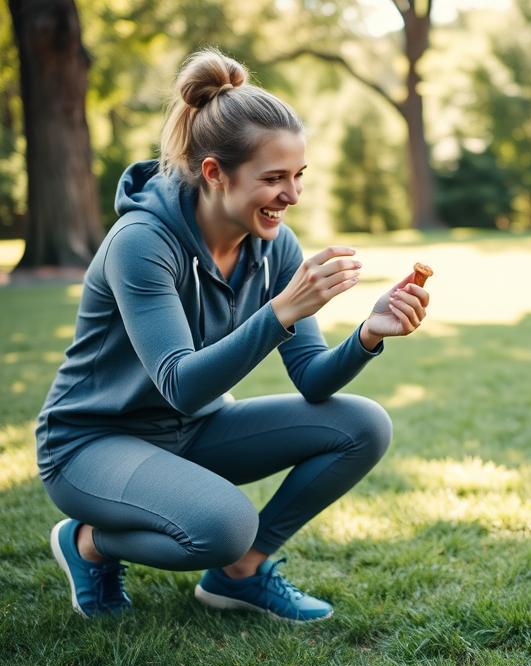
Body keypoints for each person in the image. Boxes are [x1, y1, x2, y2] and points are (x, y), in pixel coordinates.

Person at [36, 49, 429, 621]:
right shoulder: (141, 242)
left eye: (298, 175)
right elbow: (180, 385)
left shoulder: (275, 245)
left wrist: (368, 333)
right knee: (223, 525)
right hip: (91, 444)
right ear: (215, 173)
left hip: (194, 431)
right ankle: (88, 542)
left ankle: (240, 574)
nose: (292, 195)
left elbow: (313, 379)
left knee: (364, 424)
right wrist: (281, 310)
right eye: (273, 179)